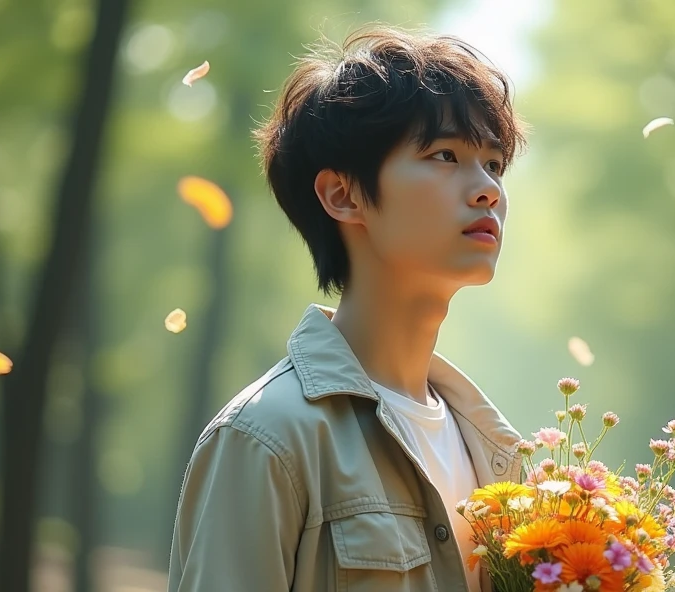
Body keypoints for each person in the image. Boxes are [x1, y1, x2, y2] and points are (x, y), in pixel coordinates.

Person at [167, 23, 528, 592]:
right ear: (343, 195)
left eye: (495, 164)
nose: (487, 189)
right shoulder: (269, 437)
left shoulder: (496, 448)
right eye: (445, 155)